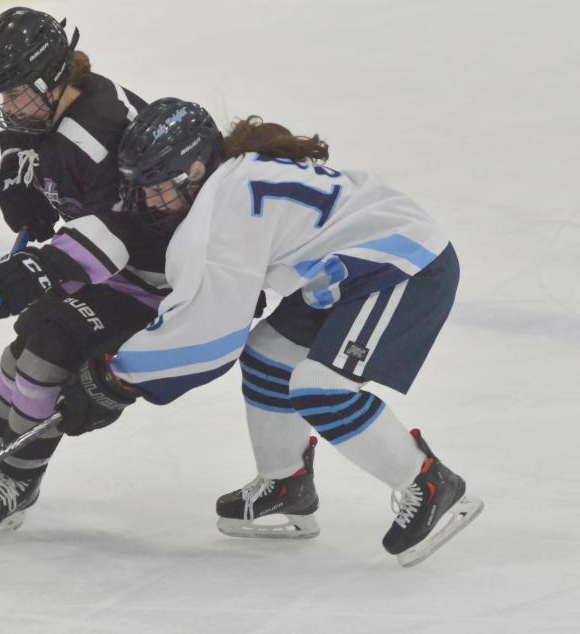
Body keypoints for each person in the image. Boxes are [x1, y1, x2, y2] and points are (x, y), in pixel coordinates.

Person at [59, 98, 484, 565]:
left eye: (160, 186)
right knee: (269, 355)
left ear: (196, 168)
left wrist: (118, 376)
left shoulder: (219, 217)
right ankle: (287, 483)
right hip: (348, 265)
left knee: (319, 387)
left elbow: (208, 337)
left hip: (405, 265)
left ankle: (427, 482)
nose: (152, 201)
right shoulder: (233, 174)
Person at [0, 7, 173, 541]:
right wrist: (19, 183)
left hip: (156, 282)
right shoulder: (48, 111)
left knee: (46, 351)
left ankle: (18, 479)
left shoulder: (99, 131)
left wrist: (43, 267)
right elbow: (31, 145)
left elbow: (123, 229)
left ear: (49, 78)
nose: (6, 106)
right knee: (22, 349)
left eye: (15, 92)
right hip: (112, 267)